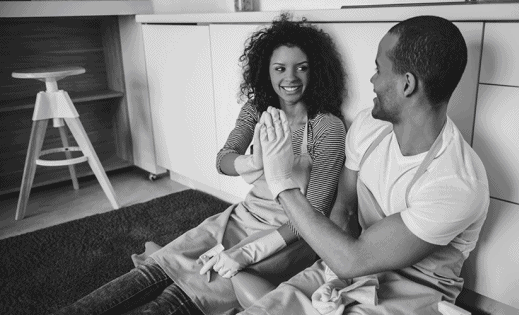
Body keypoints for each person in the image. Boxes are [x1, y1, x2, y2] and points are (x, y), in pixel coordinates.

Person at [57, 13, 348, 315]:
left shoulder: (326, 127)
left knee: (176, 299)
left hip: (286, 237)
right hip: (237, 219)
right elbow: (223, 160)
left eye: (302, 68)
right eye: (280, 68)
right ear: (267, 71)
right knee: (154, 272)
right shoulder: (257, 110)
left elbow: (314, 216)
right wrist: (254, 161)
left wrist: (248, 252)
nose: (291, 78)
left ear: (317, 71)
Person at [240, 15, 489, 314]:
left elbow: (354, 257)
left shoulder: (457, 182)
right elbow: (343, 211)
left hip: (413, 291)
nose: (372, 80)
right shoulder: (368, 126)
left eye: (378, 69)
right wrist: (334, 276)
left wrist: (282, 182)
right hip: (349, 264)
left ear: (407, 84)